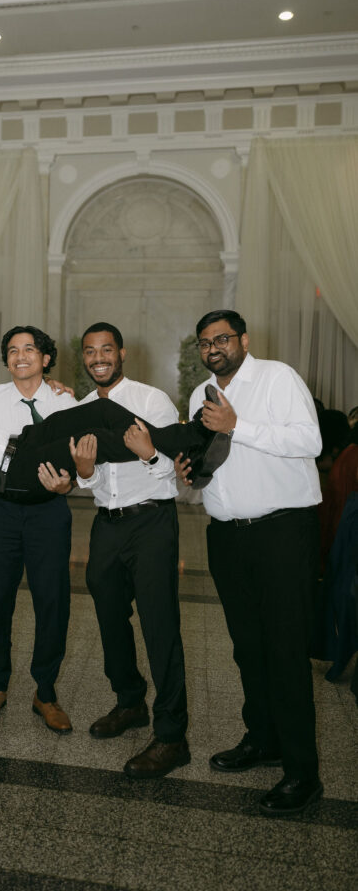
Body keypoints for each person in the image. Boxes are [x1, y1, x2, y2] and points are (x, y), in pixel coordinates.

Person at [177, 308, 323, 817]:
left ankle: (303, 773)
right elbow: (209, 462)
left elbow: (311, 440)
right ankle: (263, 739)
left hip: (282, 532)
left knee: (285, 651)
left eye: (221, 339)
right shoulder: (200, 395)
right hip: (227, 538)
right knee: (248, 648)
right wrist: (190, 471)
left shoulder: (278, 378)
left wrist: (241, 425)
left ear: (243, 339)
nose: (213, 348)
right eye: (204, 342)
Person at [66, 322, 189, 779]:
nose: (99, 357)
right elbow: (94, 482)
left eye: (106, 349)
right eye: (90, 351)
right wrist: (83, 470)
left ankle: (173, 735)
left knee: (160, 624)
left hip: (152, 522)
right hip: (107, 526)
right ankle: (130, 700)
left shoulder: (151, 400)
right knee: (108, 613)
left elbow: (171, 476)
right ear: (84, 358)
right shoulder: (80, 409)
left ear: (121, 353)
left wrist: (149, 453)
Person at [0, 326, 78, 733]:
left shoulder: (67, 402)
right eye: (12, 350)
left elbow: (89, 459)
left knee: (53, 601)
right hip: (0, 511)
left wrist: (70, 483)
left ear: (46, 358)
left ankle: (45, 692)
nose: (20, 356)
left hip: (50, 511)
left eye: (29, 349)